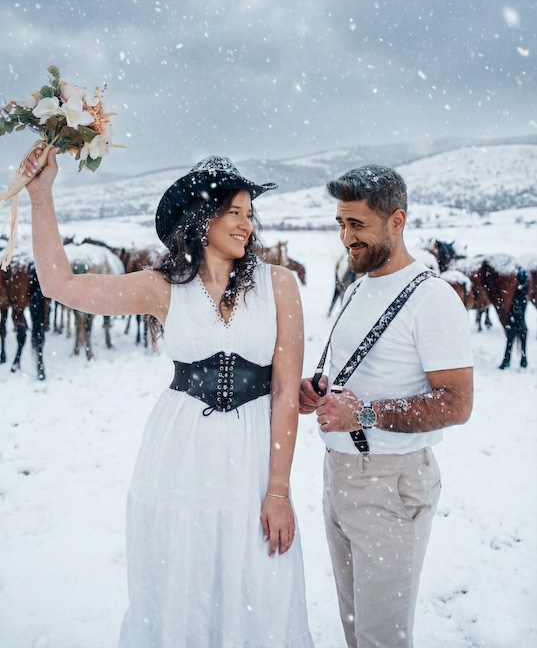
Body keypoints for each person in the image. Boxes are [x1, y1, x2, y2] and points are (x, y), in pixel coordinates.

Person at [23, 149, 314, 648]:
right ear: (202, 218)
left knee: (258, 579)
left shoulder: (280, 285)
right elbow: (60, 284)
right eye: (235, 212)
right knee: (184, 572)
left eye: (250, 214)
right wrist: (41, 194)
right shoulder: (163, 288)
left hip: (251, 458)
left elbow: (286, 389)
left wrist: (279, 491)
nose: (247, 225)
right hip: (179, 453)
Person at [299, 165, 473, 648]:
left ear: (396, 221)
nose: (345, 237)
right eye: (340, 223)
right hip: (340, 477)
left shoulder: (432, 298)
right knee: (357, 629)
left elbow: (457, 404)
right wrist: (319, 389)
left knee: (382, 638)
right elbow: (365, 375)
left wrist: (366, 415)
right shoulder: (358, 288)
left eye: (357, 225)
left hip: (392, 483)